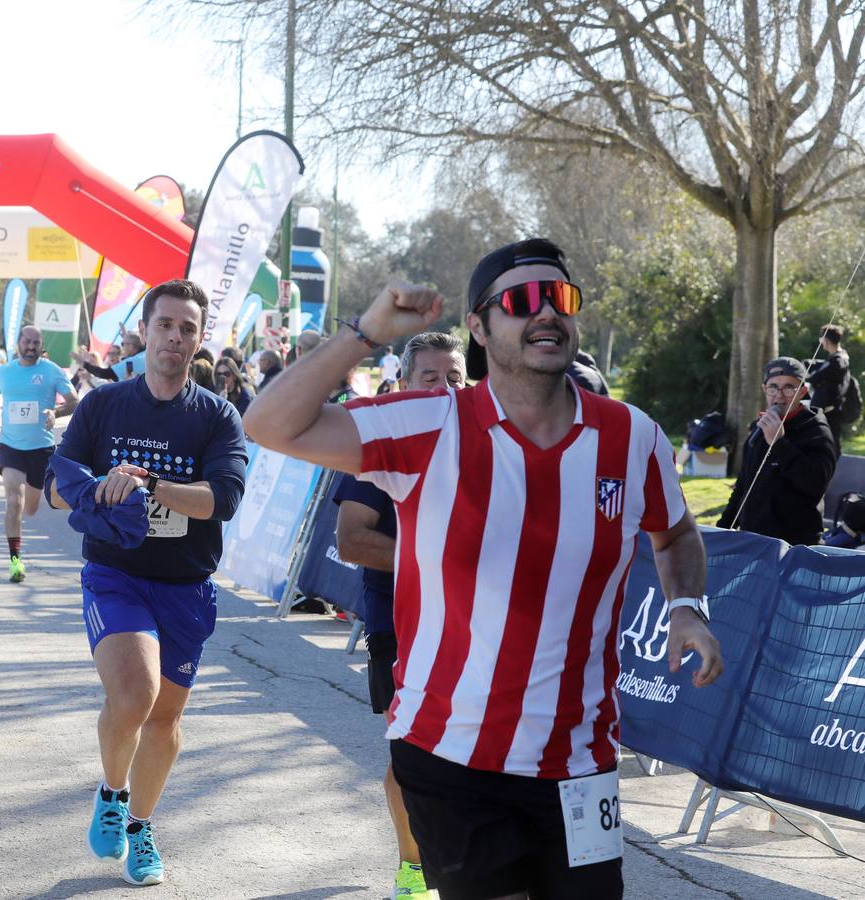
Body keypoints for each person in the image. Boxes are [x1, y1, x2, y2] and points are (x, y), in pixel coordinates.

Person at [243, 238, 723, 900]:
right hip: (452, 756)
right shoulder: (425, 424)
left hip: (579, 766)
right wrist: (365, 333)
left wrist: (686, 609)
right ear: (479, 326)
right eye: (521, 302)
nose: (545, 314)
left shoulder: (630, 435)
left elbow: (675, 535)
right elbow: (267, 423)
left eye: (559, 298)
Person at [44, 279, 248, 888]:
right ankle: (111, 791)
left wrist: (149, 484)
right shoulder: (103, 406)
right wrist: (100, 486)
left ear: (199, 339)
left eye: (188, 329)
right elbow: (57, 490)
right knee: (133, 695)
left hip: (186, 584)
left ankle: (140, 825)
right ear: (146, 330)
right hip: (116, 574)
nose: (175, 338)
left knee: (163, 722)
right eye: (165, 325)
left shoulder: (217, 416)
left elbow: (223, 501)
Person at [335, 331, 466, 899]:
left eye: (455, 377)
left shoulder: (489, 444)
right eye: (431, 378)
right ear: (405, 385)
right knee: (412, 757)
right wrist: (433, 562)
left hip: (475, 628)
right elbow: (351, 540)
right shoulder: (383, 444)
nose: (445, 389)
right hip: (402, 627)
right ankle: (413, 868)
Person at [0, 325, 79, 582]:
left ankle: (18, 521)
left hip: (41, 450)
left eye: (36, 343)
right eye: (27, 342)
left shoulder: (51, 371)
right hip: (10, 447)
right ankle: (15, 562)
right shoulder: (4, 372)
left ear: (40, 345)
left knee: (31, 509)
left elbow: (74, 400)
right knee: (14, 500)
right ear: (18, 344)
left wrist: (55, 413)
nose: (31, 347)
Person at [717, 356, 837, 546]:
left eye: (789, 387)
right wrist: (721, 530)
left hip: (795, 546)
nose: (779, 395)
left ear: (802, 392)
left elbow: (815, 484)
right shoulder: (758, 427)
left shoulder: (817, 431)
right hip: (753, 540)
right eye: (773, 387)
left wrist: (779, 443)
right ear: (765, 389)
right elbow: (743, 487)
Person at [807, 324, 851, 455]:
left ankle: (836, 473)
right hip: (828, 411)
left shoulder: (838, 360)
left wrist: (810, 376)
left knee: (832, 447)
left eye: (822, 339)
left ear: (826, 340)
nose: (821, 343)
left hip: (830, 412)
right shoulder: (836, 358)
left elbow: (815, 378)